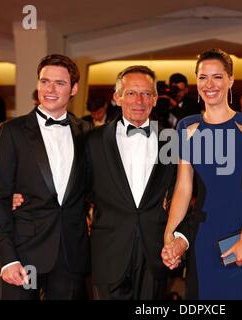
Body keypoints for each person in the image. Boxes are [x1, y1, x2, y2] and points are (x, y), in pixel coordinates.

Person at [162, 48, 242, 299]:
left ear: (231, 80)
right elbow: (183, 187)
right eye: (203, 77)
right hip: (205, 235)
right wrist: (170, 236)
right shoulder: (186, 127)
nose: (209, 84)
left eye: (217, 77)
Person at [0, 54, 90, 299]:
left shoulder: (85, 132)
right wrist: (6, 258)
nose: (50, 89)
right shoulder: (11, 131)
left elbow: (93, 188)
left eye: (60, 83)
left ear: (74, 88)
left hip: (69, 255)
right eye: (45, 82)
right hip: (23, 254)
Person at [86, 65, 181, 300]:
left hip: (156, 252)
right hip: (108, 252)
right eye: (131, 93)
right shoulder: (92, 141)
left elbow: (183, 192)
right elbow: (75, 190)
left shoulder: (170, 140)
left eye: (146, 93)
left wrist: (179, 240)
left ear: (155, 99)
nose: (139, 100)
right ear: (117, 98)